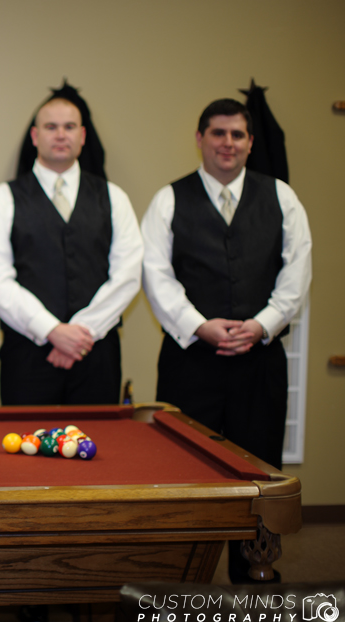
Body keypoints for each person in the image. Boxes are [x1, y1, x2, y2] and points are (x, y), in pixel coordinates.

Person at [142, 98, 312, 471]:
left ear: (251, 142)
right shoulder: (167, 200)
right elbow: (156, 276)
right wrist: (199, 326)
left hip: (260, 364)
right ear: (200, 138)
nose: (228, 142)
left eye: (237, 134)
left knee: (259, 467)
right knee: (180, 467)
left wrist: (261, 325)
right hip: (188, 362)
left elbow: (296, 273)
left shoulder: (283, 198)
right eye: (218, 133)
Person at [0, 97, 143, 406]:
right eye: (50, 126)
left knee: (99, 449)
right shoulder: (3, 198)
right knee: (26, 450)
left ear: (82, 136)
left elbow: (128, 274)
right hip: (27, 356)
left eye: (69, 127)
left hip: (96, 355)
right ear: (35, 136)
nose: (60, 134)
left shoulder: (113, 197)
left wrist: (81, 334)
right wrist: (51, 330)